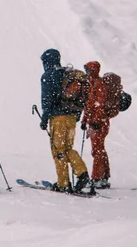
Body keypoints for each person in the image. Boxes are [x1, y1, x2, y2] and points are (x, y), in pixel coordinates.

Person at [37, 48, 90, 193]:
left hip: (58, 119)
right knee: (68, 149)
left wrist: (44, 118)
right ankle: (82, 172)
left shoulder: (48, 76)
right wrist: (77, 114)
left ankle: (63, 183)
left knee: (58, 151)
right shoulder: (67, 74)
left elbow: (47, 100)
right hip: (72, 118)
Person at [83, 60, 127, 191]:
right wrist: (84, 121)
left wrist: (95, 121)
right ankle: (103, 177)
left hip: (100, 122)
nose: (87, 72)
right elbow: (89, 105)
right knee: (99, 149)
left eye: (88, 70)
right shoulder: (92, 84)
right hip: (96, 121)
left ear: (94, 70)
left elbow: (99, 105)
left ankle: (97, 178)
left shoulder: (99, 84)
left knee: (97, 150)